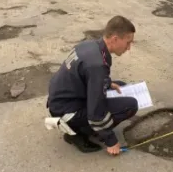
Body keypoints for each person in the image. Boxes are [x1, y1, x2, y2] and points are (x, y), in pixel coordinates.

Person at [47, 16, 138, 155]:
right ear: (115, 39)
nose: (129, 48)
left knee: (121, 87)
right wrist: (111, 140)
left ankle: (86, 127)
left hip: (64, 99)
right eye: (128, 42)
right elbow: (96, 112)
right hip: (67, 110)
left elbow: (84, 76)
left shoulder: (91, 45)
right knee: (131, 105)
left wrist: (106, 83)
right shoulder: (97, 65)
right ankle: (77, 133)